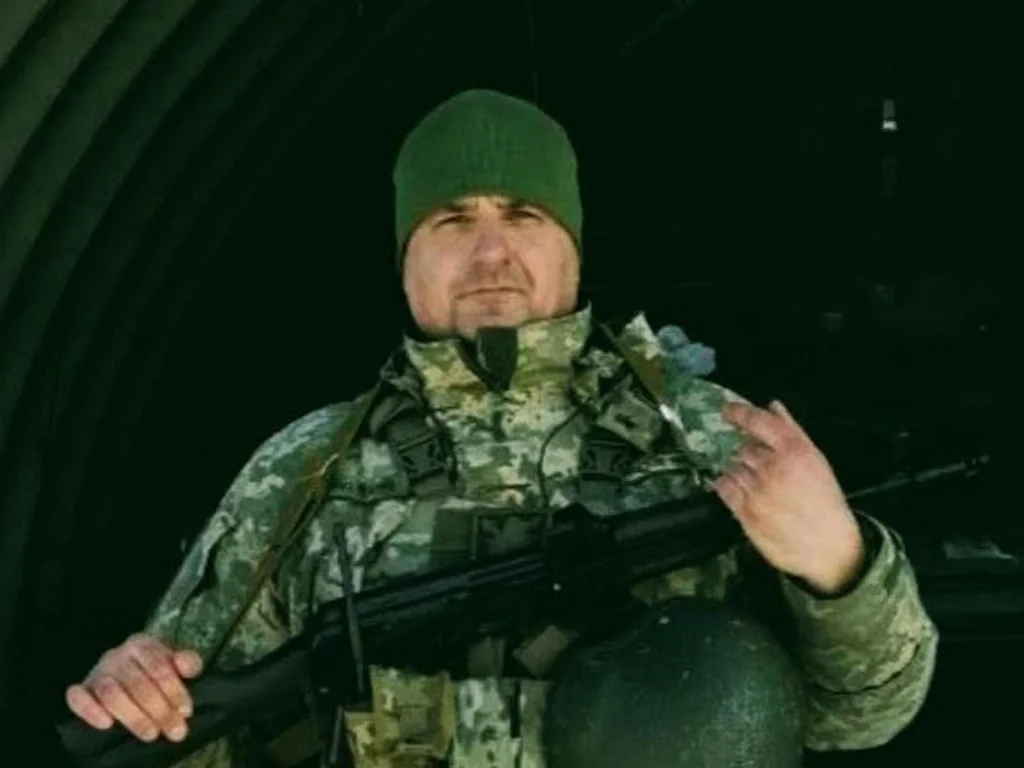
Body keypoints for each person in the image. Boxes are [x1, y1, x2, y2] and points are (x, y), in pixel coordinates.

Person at [64, 89, 939, 768]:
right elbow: (183, 740)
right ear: (406, 259)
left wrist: (842, 568)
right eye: (453, 220)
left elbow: (862, 716)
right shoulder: (301, 471)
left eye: (523, 214)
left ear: (573, 246)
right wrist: (139, 692)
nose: (491, 254)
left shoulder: (716, 438)